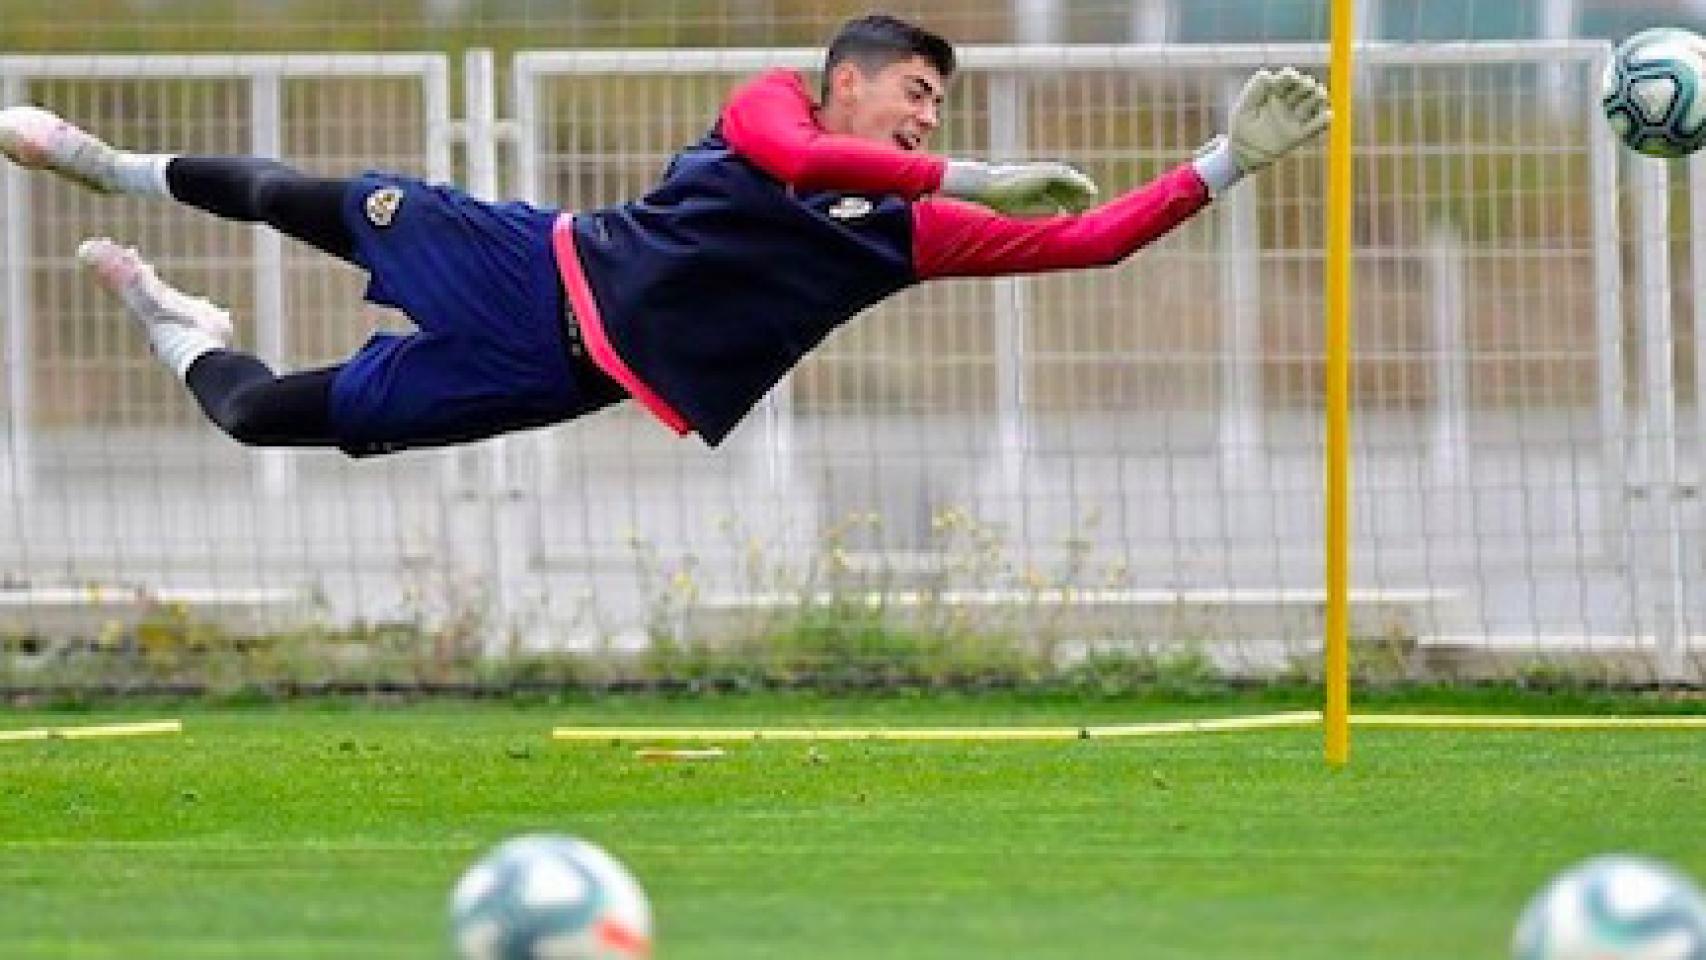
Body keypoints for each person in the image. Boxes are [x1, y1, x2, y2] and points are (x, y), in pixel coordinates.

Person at [0, 14, 1329, 458]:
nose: (929, 118)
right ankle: (115, 169)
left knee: (257, 421)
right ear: (843, 77)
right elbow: (800, 164)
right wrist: (976, 168)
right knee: (303, 194)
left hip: (568, 371)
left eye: (945, 106)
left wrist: (1223, 161)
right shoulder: (773, 106)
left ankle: (184, 329)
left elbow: (1089, 242)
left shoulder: (912, 235)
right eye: (915, 92)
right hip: (531, 257)